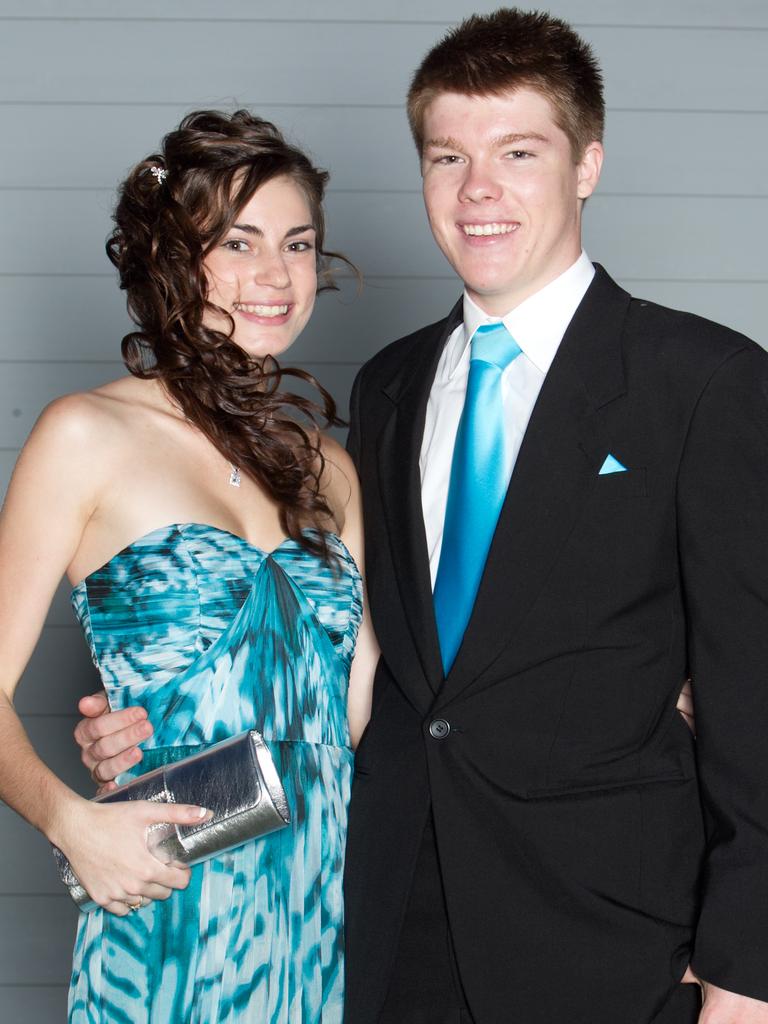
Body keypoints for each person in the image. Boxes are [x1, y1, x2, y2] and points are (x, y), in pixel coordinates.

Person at [75, 10, 768, 1024]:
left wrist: (748, 981)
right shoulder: (390, 385)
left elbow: (757, 708)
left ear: (588, 165)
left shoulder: (705, 383)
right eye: (449, 156)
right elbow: (370, 697)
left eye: (518, 153)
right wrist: (161, 764)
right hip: (385, 933)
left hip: (614, 953)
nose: (478, 190)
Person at [0, 109, 378, 1024]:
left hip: (322, 914)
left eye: (297, 243)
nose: (274, 275)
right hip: (172, 910)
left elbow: (370, 711)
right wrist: (70, 822)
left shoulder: (329, 468)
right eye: (237, 242)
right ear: (174, 258)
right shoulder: (86, 434)